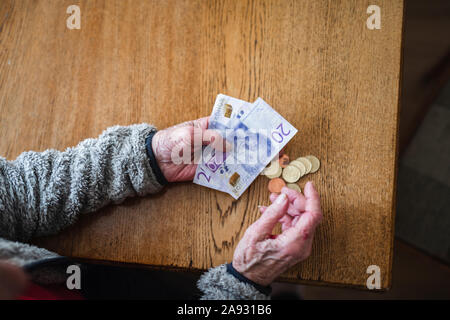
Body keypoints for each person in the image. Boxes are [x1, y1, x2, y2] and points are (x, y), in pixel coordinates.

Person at [0, 117, 322, 300]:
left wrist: (149, 159)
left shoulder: (14, 273)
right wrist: (245, 285)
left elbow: (20, 190)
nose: (12, 268)